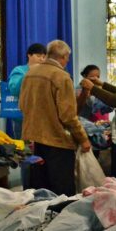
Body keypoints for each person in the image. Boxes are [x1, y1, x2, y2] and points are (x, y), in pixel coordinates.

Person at [19, 40, 90, 196]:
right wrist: (83, 138)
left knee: (42, 186)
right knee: (62, 189)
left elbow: (22, 105)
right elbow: (68, 116)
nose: (67, 61)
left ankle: (44, 216)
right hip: (58, 141)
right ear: (63, 56)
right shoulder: (62, 77)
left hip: (36, 139)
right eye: (67, 58)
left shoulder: (30, 73)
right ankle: (62, 217)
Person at [7, 43, 47, 138]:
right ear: (29, 55)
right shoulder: (19, 70)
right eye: (38, 56)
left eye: (44, 57)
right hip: (22, 117)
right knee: (24, 147)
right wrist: (30, 72)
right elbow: (14, 90)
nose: (41, 59)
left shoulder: (46, 71)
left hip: (42, 116)